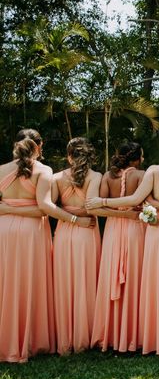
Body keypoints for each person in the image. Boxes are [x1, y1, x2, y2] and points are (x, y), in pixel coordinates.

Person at [86, 134, 159, 355]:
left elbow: (139, 200)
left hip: (155, 231)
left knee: (154, 283)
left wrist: (103, 202)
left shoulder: (153, 171)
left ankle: (152, 336)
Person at [0, 129, 82, 362]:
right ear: (40, 145)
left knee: (5, 283)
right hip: (31, 232)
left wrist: (7, 209)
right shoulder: (43, 171)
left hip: (3, 229)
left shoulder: (1, 170)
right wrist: (75, 219)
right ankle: (32, 341)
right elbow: (44, 207)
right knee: (30, 281)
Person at [91, 142, 147, 352]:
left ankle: (112, 333)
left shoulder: (107, 176)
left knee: (111, 275)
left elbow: (101, 207)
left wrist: (116, 210)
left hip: (113, 231)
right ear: (137, 158)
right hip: (135, 228)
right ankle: (134, 334)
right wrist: (128, 213)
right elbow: (143, 202)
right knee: (135, 277)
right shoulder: (141, 176)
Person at [51, 137, 102, 354]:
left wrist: (67, 214)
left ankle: (65, 340)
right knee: (86, 281)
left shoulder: (56, 177)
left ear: (69, 155)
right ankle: (85, 337)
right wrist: (78, 214)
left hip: (63, 232)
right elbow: (90, 208)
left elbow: (51, 207)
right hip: (87, 232)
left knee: (65, 282)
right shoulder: (95, 176)